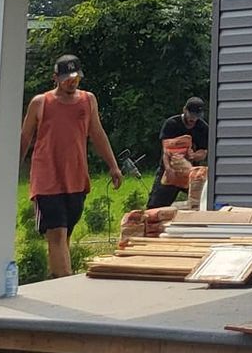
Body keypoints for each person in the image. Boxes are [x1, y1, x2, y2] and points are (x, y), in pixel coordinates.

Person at [19, 54, 122, 277]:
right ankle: (66, 284)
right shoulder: (41, 103)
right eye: (66, 78)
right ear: (55, 78)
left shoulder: (88, 100)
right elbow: (25, 137)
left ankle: (55, 279)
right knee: (56, 234)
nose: (71, 82)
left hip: (75, 177)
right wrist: (10, 171)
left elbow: (97, 133)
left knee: (64, 235)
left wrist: (113, 165)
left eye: (75, 77)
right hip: (46, 178)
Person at [147, 96, 210, 209]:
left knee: (201, 202)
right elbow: (165, 151)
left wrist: (194, 155)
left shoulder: (203, 128)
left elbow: (203, 152)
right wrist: (168, 169)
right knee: (156, 206)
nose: (193, 119)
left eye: (197, 116)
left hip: (191, 172)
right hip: (170, 169)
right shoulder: (171, 124)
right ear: (185, 110)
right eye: (191, 115)